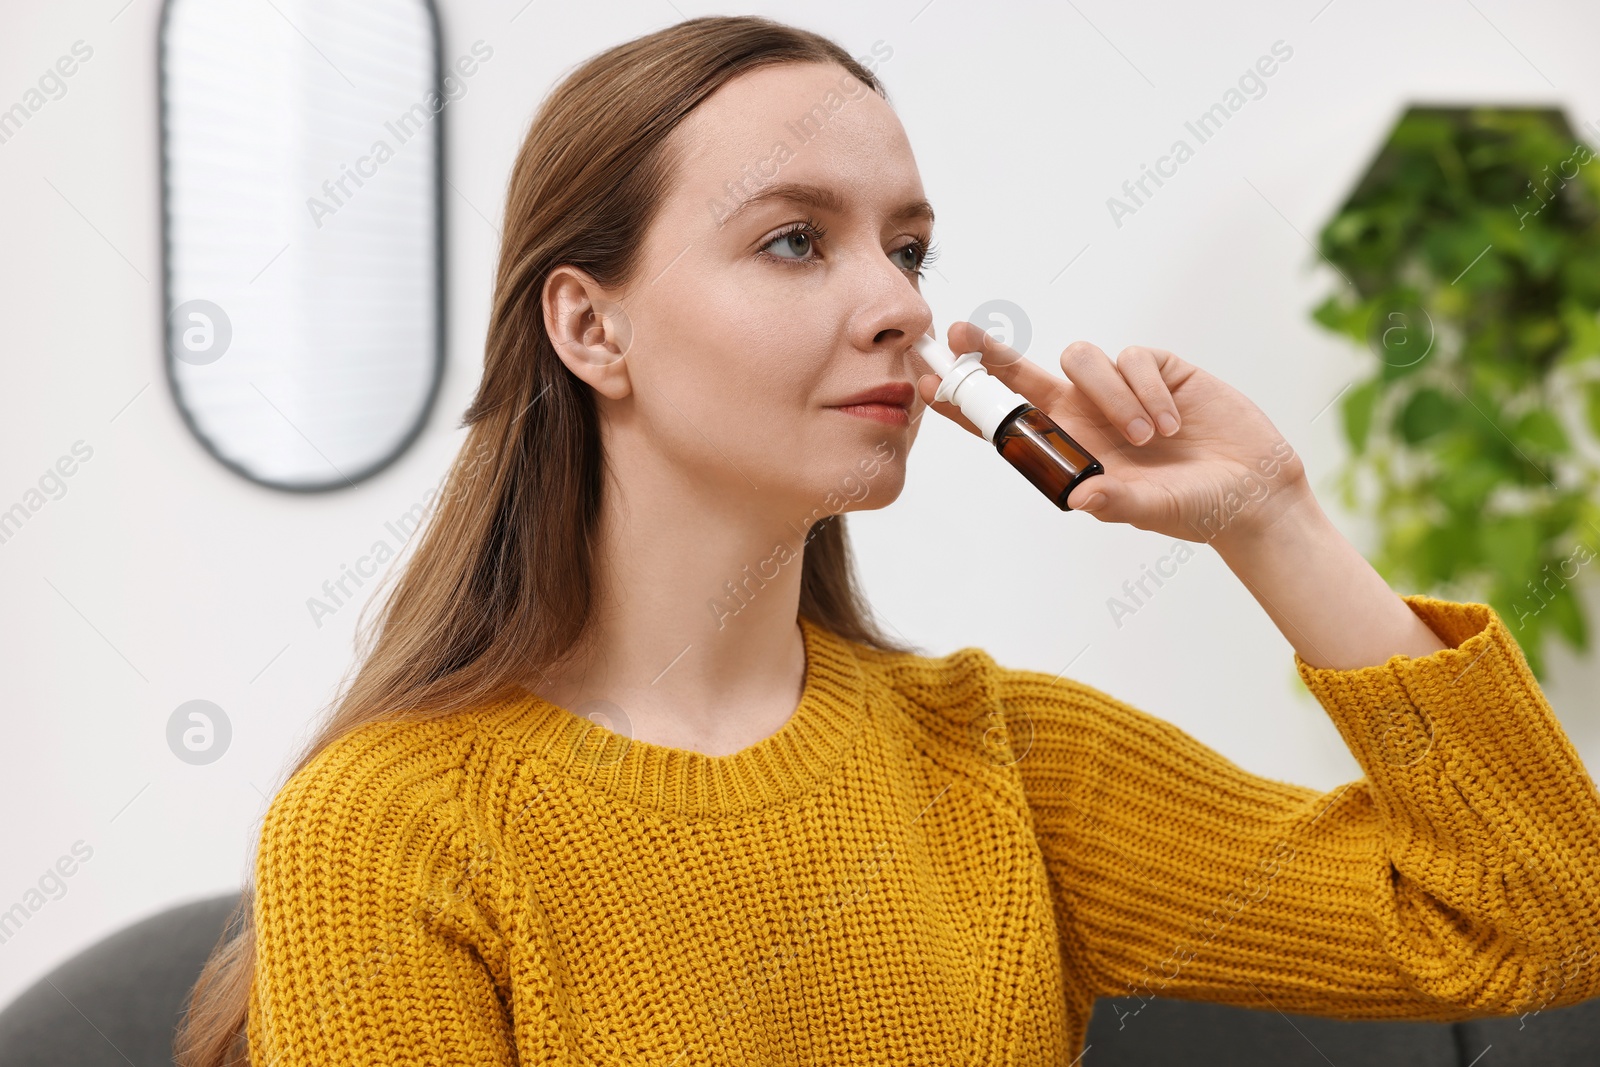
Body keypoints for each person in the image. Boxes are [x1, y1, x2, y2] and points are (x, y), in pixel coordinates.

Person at [176, 14, 1600, 1066]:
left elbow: (1531, 918)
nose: (902, 306)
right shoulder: (388, 826)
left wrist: (1272, 521)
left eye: (906, 248)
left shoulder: (1005, 767)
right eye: (797, 241)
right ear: (588, 327)